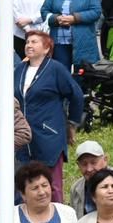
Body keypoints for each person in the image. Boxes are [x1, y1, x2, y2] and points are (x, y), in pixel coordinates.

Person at [14, 30, 85, 202]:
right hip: (23, 137)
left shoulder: (55, 69)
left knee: (51, 185)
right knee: (24, 184)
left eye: (34, 42)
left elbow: (75, 94)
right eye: (27, 42)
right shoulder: (19, 70)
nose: (29, 45)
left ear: (46, 48)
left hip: (48, 134)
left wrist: (72, 123)